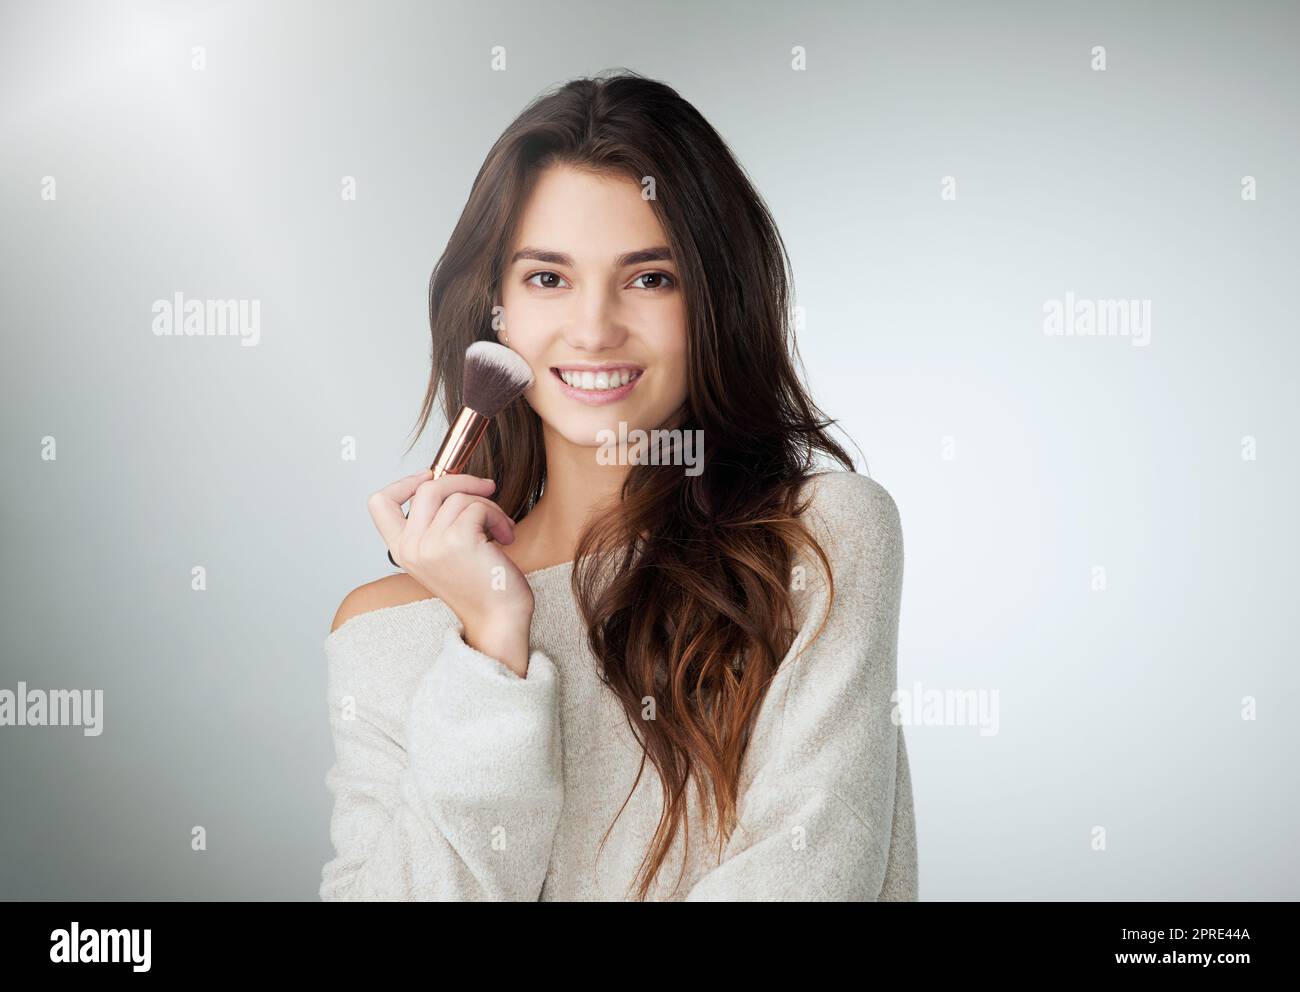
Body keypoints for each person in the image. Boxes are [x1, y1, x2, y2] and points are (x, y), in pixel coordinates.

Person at [319, 70, 917, 901]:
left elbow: (813, 867)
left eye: (649, 277)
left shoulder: (817, 539)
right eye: (548, 278)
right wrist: (492, 642)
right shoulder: (390, 628)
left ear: (716, 299)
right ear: (494, 311)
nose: (595, 328)